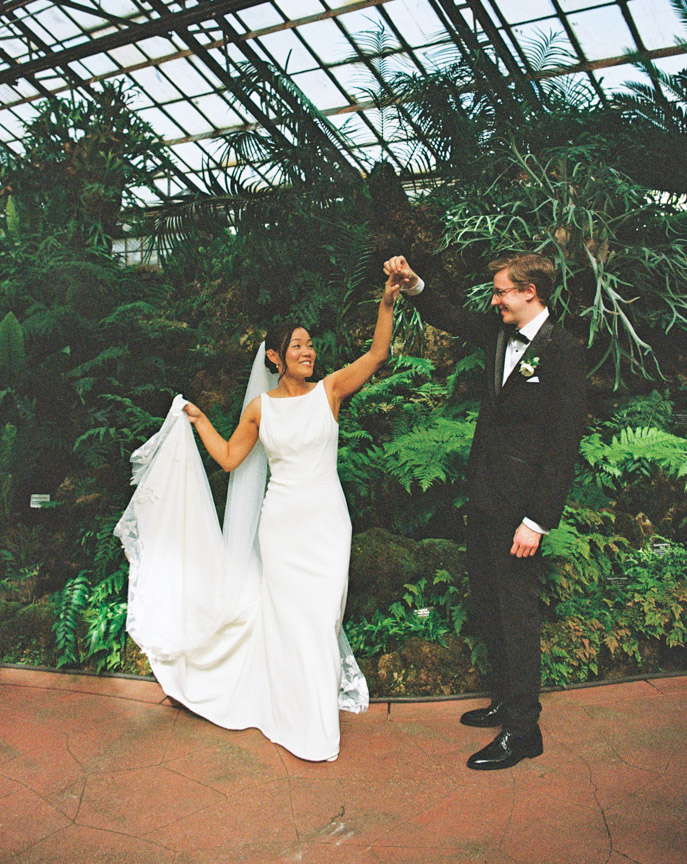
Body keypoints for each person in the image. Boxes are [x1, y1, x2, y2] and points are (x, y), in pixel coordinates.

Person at [114, 276, 399, 762]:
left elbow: (376, 354)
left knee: (322, 615)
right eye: (297, 345)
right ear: (275, 357)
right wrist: (201, 421)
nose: (308, 351)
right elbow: (229, 458)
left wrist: (388, 300)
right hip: (282, 528)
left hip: (328, 525)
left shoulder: (329, 391)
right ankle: (305, 722)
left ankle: (308, 708)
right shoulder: (260, 409)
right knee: (293, 621)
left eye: (310, 345)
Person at [384, 252, 587, 770]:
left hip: (521, 512)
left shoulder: (563, 352)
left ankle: (524, 731)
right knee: (491, 604)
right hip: (486, 499)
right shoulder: (499, 334)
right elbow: (450, 315)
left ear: (530, 293)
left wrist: (537, 520)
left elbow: (563, 445)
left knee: (517, 615)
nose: (494, 299)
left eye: (501, 291)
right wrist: (412, 285)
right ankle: (504, 700)